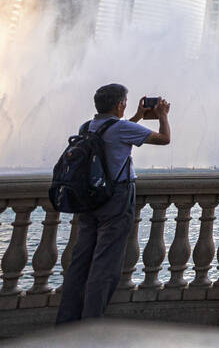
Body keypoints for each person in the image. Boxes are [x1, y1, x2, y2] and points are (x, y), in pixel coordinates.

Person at [56, 83, 171, 323]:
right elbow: (164, 139)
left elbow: (117, 131)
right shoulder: (122, 128)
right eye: (125, 104)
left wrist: (138, 116)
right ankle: (91, 325)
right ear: (119, 105)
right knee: (105, 265)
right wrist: (162, 116)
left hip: (89, 198)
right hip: (116, 199)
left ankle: (66, 322)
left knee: (80, 260)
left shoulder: (87, 127)